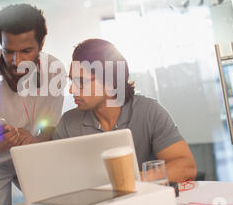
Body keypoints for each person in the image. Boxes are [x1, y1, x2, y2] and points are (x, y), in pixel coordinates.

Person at [0, 4, 65, 205]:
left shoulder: (54, 71)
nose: (17, 61)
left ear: (42, 43)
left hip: (29, 154)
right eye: (8, 52)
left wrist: (33, 139)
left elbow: (49, 130)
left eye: (26, 51)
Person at [52, 38, 196, 183]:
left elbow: (186, 167)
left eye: (81, 82)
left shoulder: (149, 112)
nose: (72, 89)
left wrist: (131, 181)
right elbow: (54, 175)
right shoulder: (67, 123)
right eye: (72, 81)